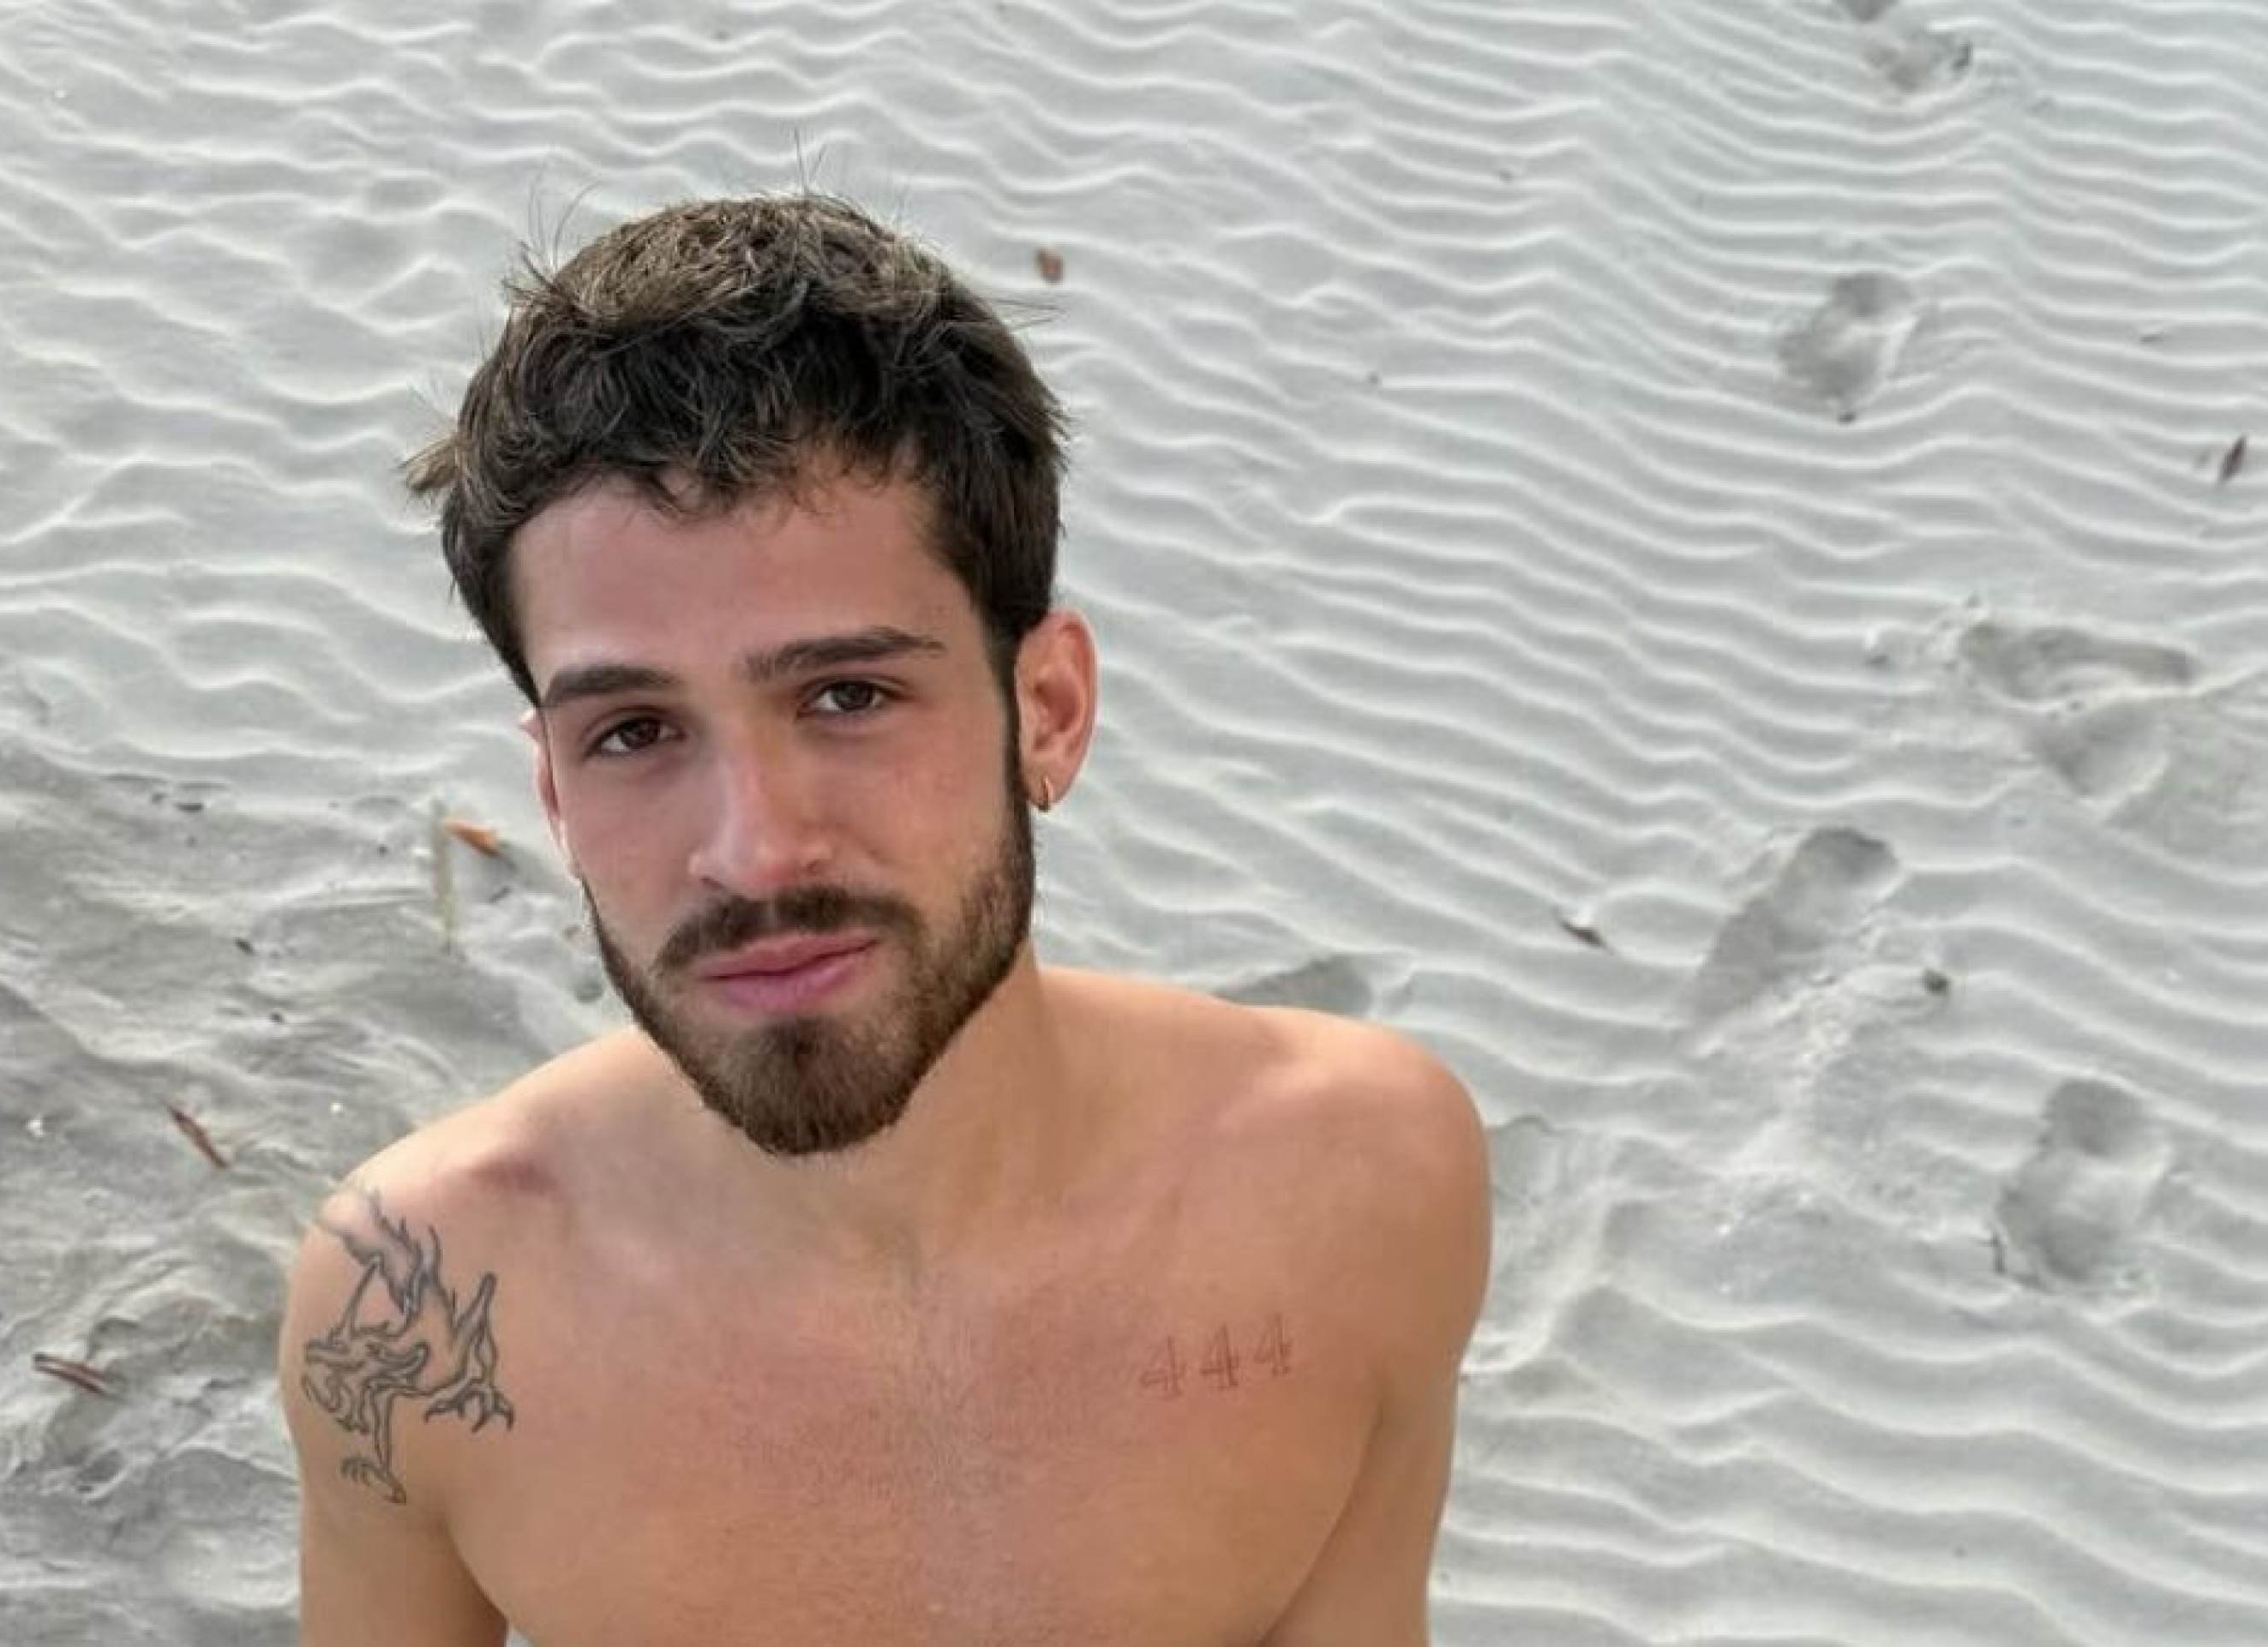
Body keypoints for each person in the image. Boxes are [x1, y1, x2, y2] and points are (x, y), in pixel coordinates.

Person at [276, 191, 1490, 1647]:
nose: (752, 852)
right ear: (551, 790)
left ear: (1048, 711)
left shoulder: (1356, 1180)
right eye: (634, 732)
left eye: (847, 696)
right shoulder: (415, 1313)